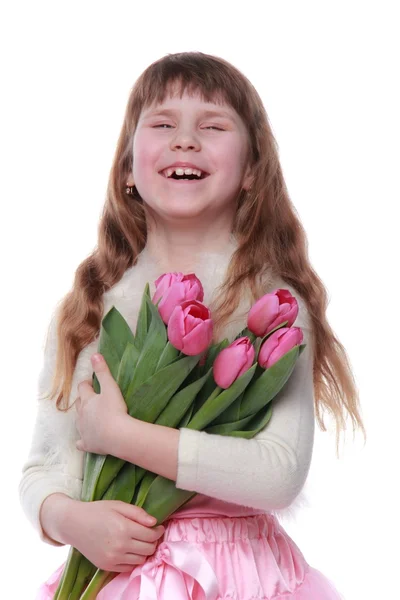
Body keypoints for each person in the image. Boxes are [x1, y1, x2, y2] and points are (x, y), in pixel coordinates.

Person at [20, 51, 365, 599]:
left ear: (253, 169)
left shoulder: (273, 308)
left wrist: (121, 436)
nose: (185, 140)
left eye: (212, 125)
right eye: (162, 124)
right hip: (116, 579)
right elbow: (43, 469)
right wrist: (69, 520)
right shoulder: (89, 308)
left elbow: (277, 475)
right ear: (128, 169)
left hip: (239, 579)